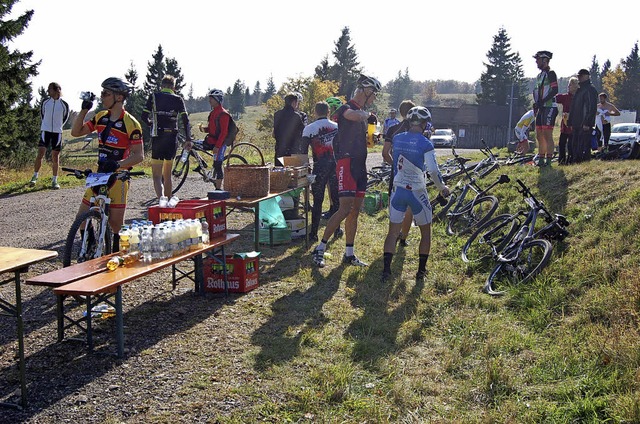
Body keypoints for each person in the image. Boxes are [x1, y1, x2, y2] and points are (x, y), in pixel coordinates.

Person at [311, 74, 381, 267]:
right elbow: (351, 116)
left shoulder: (362, 112)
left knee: (355, 210)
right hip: (346, 163)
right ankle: (320, 248)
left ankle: (349, 253)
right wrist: (367, 116)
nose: (374, 97)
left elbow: (366, 136)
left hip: (360, 163)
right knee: (344, 208)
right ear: (365, 91)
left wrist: (372, 137)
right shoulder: (346, 108)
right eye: (373, 93)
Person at [70, 77, 144, 252]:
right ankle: (89, 250)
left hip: (118, 177)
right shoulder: (100, 117)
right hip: (99, 175)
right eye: (101, 93)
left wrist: (118, 164)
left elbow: (139, 156)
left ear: (118, 97)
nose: (101, 96)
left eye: (105, 93)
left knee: (116, 224)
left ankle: (117, 256)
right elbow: (75, 132)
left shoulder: (131, 124)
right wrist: (84, 110)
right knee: (81, 218)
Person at [381, 106, 450, 283]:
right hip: (417, 191)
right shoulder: (426, 143)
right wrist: (442, 187)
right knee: (426, 233)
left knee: (392, 232)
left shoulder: (397, 138)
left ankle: (386, 271)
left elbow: (388, 155)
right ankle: (420, 272)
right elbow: (433, 171)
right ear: (425, 123)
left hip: (398, 189)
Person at [141, 75, 191, 203]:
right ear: (173, 87)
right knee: (167, 175)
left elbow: (143, 116)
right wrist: (188, 139)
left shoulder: (154, 97)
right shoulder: (178, 99)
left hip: (158, 137)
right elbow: (186, 120)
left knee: (157, 176)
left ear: (161, 86)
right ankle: (168, 203)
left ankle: (161, 201)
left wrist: (150, 123)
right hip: (171, 139)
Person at [302, 101, 342, 242]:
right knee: (336, 199)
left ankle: (313, 233)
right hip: (336, 166)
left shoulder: (309, 128)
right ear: (329, 112)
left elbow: (302, 151)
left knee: (318, 200)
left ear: (315, 112)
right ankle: (337, 230)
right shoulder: (337, 127)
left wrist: (305, 168)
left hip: (319, 166)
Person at [382, 99, 416, 246]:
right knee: (409, 206)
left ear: (401, 113)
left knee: (395, 203)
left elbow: (385, 153)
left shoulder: (392, 129)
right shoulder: (418, 130)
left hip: (396, 172)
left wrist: (395, 166)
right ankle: (403, 237)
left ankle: (393, 234)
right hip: (413, 173)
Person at [30, 82, 70, 189]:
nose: (48, 91)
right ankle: (34, 176)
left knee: (55, 157)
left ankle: (54, 180)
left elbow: (65, 118)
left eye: (50, 89)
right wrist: (46, 126)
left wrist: (58, 127)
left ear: (57, 90)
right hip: (45, 131)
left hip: (57, 133)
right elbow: (43, 115)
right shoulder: (45, 102)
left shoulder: (64, 104)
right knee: (40, 154)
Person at [198, 89, 231, 190]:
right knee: (192, 145)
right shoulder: (213, 113)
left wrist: (217, 146)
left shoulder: (223, 114)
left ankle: (218, 189)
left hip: (220, 143)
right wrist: (204, 129)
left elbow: (223, 133)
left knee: (218, 164)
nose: (209, 101)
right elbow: (213, 129)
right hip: (211, 141)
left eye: (211, 99)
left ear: (217, 99)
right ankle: (202, 163)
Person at [532, 50, 559, 167]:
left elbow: (555, 90)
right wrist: (537, 103)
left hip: (549, 107)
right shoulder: (539, 76)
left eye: (538, 60)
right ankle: (541, 158)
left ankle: (548, 160)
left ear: (545, 60)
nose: (536, 62)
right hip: (541, 107)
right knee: (539, 134)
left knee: (547, 134)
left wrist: (543, 101)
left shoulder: (551, 73)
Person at [568, 69, 598, 163]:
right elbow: (574, 107)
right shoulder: (580, 90)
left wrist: (587, 122)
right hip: (577, 123)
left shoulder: (590, 89)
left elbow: (591, 107)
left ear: (586, 76)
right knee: (575, 145)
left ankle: (583, 163)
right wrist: (570, 121)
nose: (579, 78)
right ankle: (575, 162)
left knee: (583, 146)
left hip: (584, 124)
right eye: (578, 76)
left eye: (581, 76)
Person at [273, 92, 305, 166]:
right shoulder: (296, 116)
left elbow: (275, 132)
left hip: (279, 149)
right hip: (292, 150)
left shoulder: (277, 114)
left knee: (280, 174)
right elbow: (302, 132)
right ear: (294, 102)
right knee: (292, 175)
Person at [555, 77, 579, 164]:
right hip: (565, 123)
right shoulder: (565, 97)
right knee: (561, 143)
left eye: (570, 85)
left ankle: (571, 160)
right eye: (568, 85)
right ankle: (561, 160)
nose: (568, 86)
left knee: (571, 144)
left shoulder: (578, 98)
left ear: (575, 86)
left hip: (574, 123)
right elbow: (556, 98)